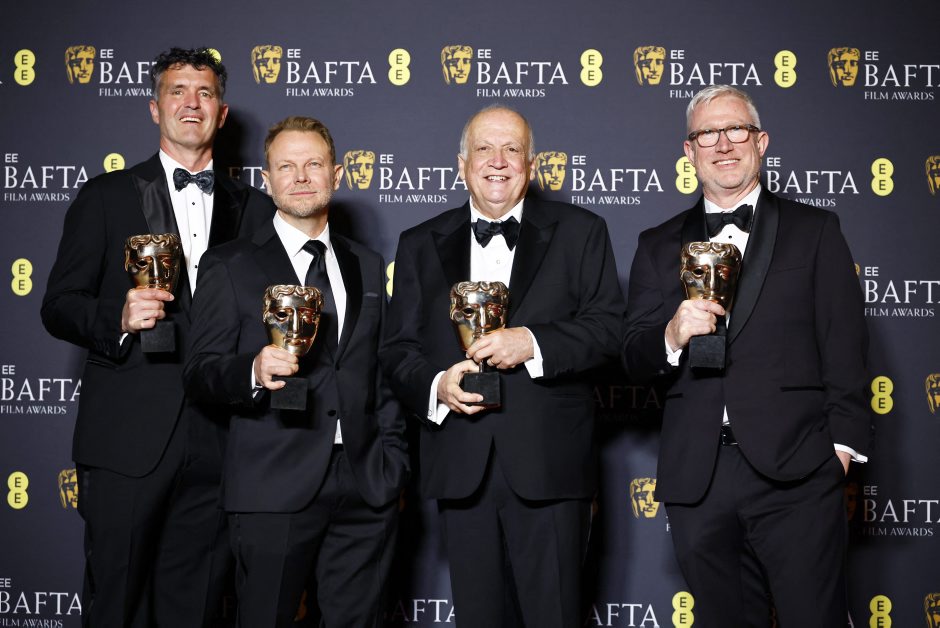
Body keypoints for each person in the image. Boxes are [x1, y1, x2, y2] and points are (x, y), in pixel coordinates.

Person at [41, 47, 274, 627]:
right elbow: (58, 306)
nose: (191, 104)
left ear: (222, 113)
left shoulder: (256, 210)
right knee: (114, 604)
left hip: (219, 442)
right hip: (127, 441)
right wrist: (116, 317)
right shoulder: (106, 196)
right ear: (154, 107)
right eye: (177, 91)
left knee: (194, 609)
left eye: (204, 93)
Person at [621, 85, 871, 627]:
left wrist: (839, 453)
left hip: (799, 471)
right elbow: (634, 356)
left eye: (736, 129)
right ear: (689, 151)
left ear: (761, 142)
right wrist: (671, 334)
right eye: (707, 133)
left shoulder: (815, 231)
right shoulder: (657, 243)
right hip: (700, 478)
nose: (723, 144)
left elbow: (845, 346)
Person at [380, 104, 624, 627]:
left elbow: (609, 329)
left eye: (512, 149)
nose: (498, 161)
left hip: (550, 465)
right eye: (484, 149)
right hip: (460, 464)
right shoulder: (419, 243)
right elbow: (397, 349)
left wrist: (532, 342)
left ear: (531, 165)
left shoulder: (582, 231)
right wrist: (437, 386)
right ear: (461, 165)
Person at [183, 116, 409, 628]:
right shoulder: (229, 264)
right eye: (286, 166)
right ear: (267, 179)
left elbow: (382, 371)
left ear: (337, 174)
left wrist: (391, 461)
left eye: (313, 164)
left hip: (365, 484)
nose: (301, 176)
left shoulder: (367, 264)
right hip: (272, 485)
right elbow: (198, 373)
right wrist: (253, 369)